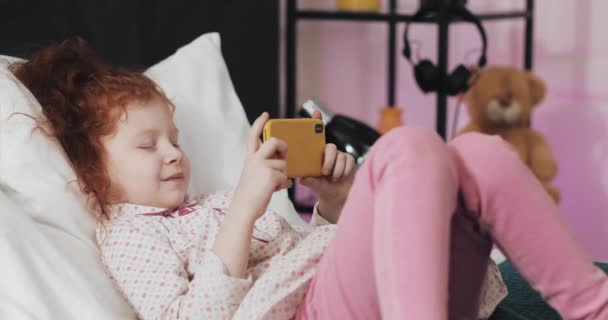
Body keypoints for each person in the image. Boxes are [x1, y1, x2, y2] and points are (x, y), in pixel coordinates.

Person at [11, 37, 608, 320]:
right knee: (408, 150)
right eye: (148, 145)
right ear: (91, 166)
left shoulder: (211, 202)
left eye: (175, 138)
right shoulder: (129, 236)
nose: (173, 154)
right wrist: (246, 205)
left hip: (369, 295)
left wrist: (334, 205)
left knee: (478, 154)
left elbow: (306, 252)